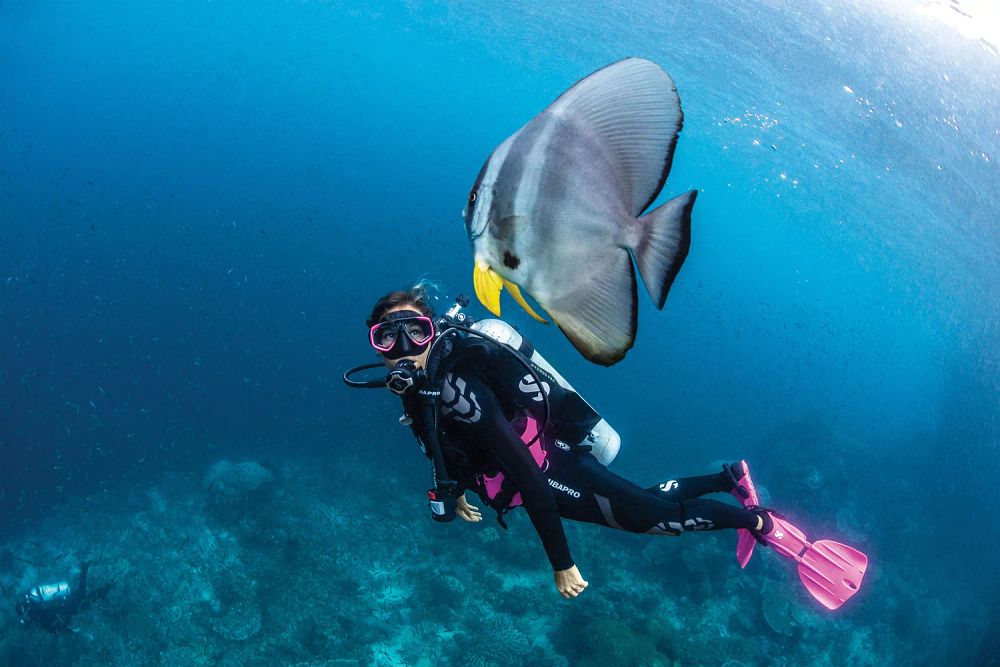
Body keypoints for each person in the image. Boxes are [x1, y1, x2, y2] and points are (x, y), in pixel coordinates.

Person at [357, 284, 775, 600]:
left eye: (416, 331)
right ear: (377, 347)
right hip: (543, 473)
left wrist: (562, 562)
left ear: (432, 332)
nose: (404, 348)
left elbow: (522, 469)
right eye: (388, 338)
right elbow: (444, 443)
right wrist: (458, 487)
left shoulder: (459, 386)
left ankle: (757, 522)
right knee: (647, 502)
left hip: (552, 471)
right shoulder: (416, 390)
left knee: (659, 521)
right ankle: (727, 478)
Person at [16, 562, 90, 631]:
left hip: (64, 604)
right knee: (80, 596)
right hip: (62, 600)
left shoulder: (36, 614)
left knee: (81, 597)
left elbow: (50, 626)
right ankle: (81, 570)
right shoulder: (33, 604)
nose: (26, 619)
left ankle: (84, 568)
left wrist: (69, 629)